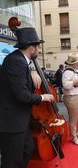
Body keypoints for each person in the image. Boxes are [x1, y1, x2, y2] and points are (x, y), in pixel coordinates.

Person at [0, 27, 54, 168]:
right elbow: (22, 96)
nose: (39, 50)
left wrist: (33, 71)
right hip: (12, 123)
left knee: (28, 149)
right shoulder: (16, 61)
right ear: (31, 48)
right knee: (11, 161)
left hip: (21, 121)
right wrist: (42, 97)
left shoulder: (21, 60)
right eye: (38, 47)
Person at [62, 53, 78, 145]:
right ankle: (74, 137)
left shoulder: (76, 70)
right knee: (73, 118)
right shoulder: (67, 71)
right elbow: (65, 85)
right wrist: (76, 81)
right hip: (71, 97)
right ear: (73, 63)